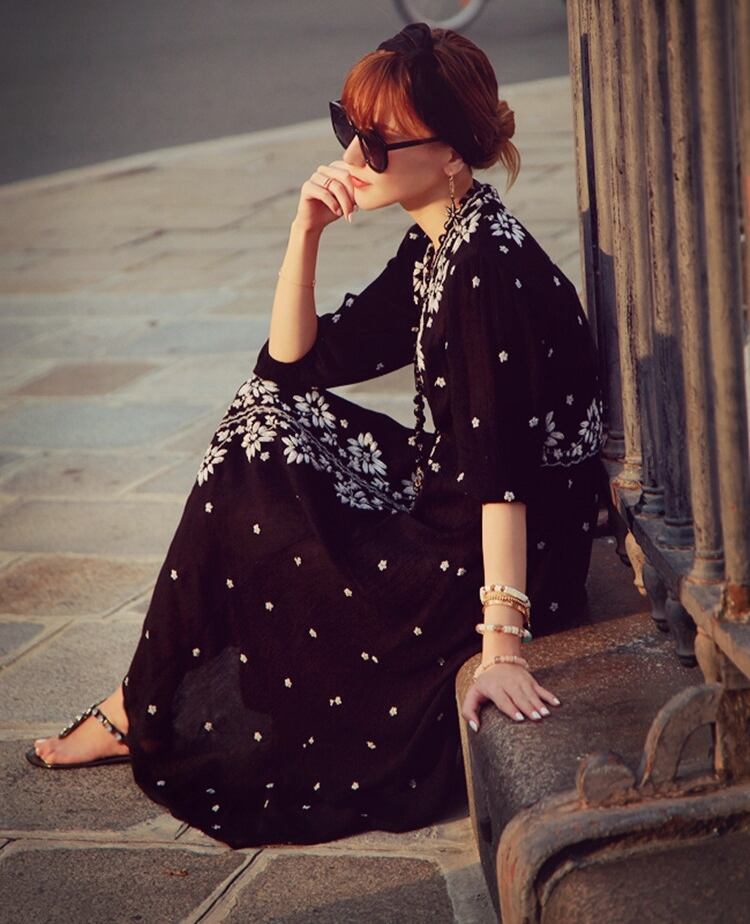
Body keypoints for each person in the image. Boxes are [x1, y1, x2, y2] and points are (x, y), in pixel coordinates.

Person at [26, 23, 606, 849]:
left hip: (497, 554)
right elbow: (293, 362)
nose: (354, 157)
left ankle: (134, 706)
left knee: (259, 462)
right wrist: (305, 232)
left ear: (452, 151)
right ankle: (137, 699)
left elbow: (501, 475)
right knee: (262, 418)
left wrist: (503, 645)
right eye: (350, 129)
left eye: (379, 142)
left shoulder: (484, 267)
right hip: (457, 495)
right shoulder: (442, 238)